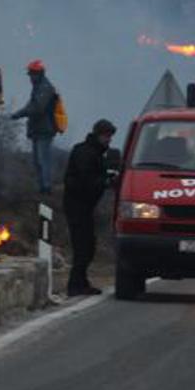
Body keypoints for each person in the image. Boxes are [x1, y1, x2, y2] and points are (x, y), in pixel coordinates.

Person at [63, 119, 118, 296]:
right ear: (99, 135)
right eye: (107, 136)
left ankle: (81, 282)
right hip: (77, 205)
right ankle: (75, 285)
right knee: (83, 247)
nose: (109, 140)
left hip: (85, 206)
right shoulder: (85, 153)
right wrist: (105, 181)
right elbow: (85, 179)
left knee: (87, 246)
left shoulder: (95, 153)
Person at [10, 60, 58, 193]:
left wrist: (19, 114)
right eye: (30, 74)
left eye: (32, 74)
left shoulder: (45, 88)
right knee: (37, 161)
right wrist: (19, 113)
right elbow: (31, 105)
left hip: (45, 129)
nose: (30, 77)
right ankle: (41, 187)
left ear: (39, 74)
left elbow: (38, 108)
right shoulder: (38, 87)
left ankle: (46, 187)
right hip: (37, 129)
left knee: (43, 160)